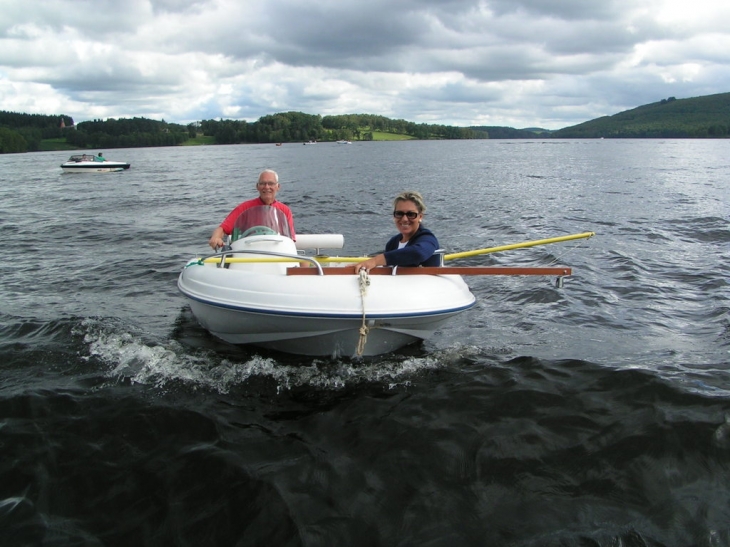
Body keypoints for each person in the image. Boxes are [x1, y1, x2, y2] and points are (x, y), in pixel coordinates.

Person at [354, 190, 440, 273]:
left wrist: (376, 261)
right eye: (399, 214)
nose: (404, 219)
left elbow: (418, 253)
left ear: (420, 217)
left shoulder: (428, 239)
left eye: (411, 214)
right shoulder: (392, 243)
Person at [208, 169, 295, 249]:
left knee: (304, 264)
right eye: (262, 183)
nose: (267, 187)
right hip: (250, 253)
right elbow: (222, 228)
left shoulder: (285, 210)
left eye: (271, 183)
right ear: (257, 186)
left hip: (276, 252)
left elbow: (289, 240)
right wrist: (216, 237)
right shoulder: (244, 208)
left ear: (278, 187)